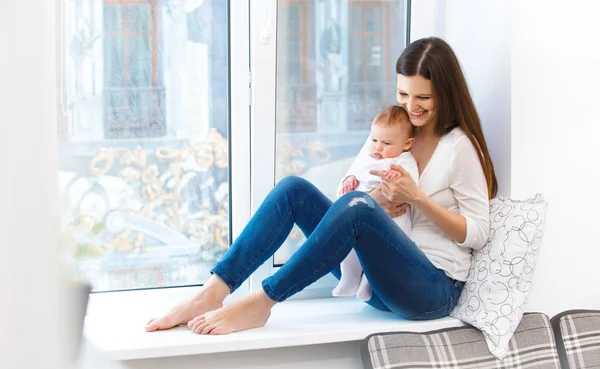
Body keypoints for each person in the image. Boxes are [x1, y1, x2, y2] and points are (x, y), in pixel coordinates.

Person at [145, 36, 497, 335]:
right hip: (374, 282)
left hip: (430, 290)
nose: (411, 106)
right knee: (292, 190)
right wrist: (380, 199)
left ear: (445, 94)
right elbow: (358, 196)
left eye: (423, 98)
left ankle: (262, 302)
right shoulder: (395, 131)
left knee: (357, 209)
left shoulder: (459, 147)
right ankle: (212, 291)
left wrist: (416, 198)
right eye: (404, 94)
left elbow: (479, 232)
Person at [333, 105, 418, 301]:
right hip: (362, 214)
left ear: (407, 144)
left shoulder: (404, 160)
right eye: (374, 140)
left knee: (380, 254)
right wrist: (349, 180)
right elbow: (355, 173)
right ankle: (349, 277)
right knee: (350, 244)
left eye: (386, 143)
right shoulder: (369, 156)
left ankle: (368, 283)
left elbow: (412, 183)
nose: (378, 147)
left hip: (393, 218)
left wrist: (398, 176)